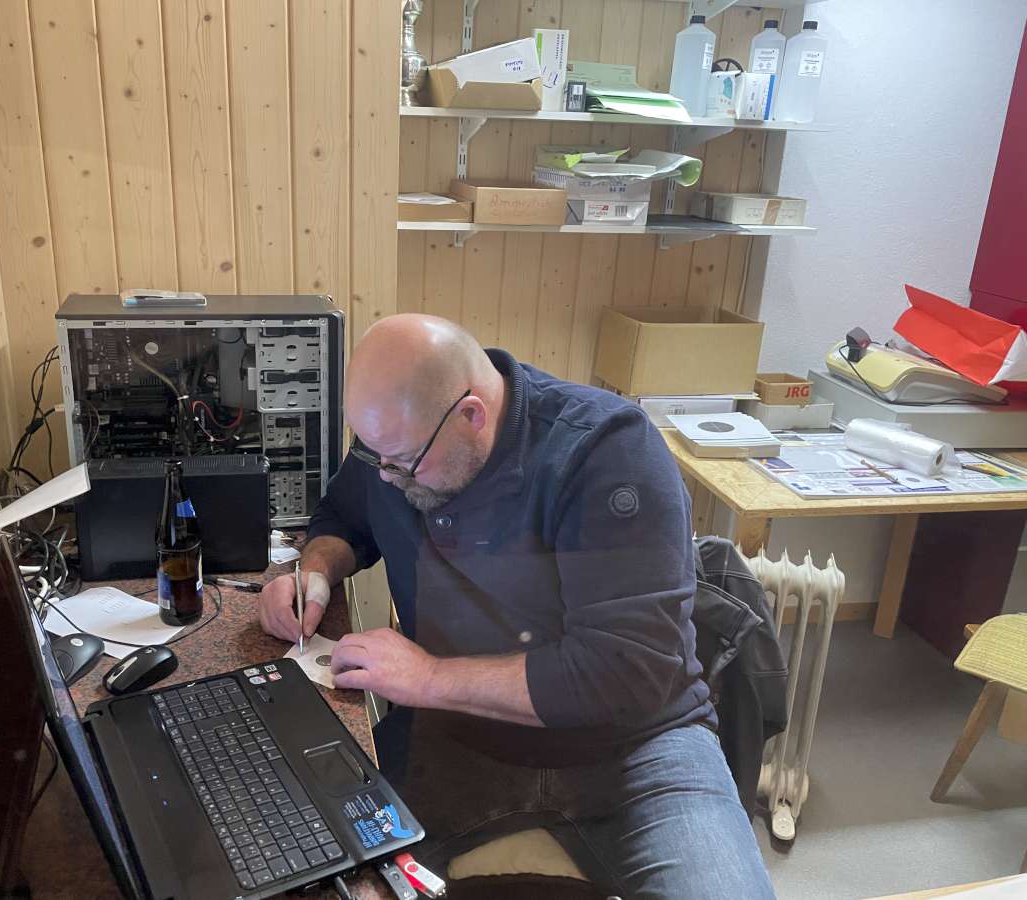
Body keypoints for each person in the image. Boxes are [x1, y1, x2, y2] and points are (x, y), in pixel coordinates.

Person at [258, 314, 775, 899]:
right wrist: (313, 571)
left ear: (471, 416)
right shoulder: (399, 443)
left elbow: (622, 675)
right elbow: (344, 518)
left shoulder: (608, 452)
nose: (388, 476)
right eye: (376, 455)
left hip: (637, 749)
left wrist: (426, 677)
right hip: (460, 740)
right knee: (300, 868)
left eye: (402, 461)